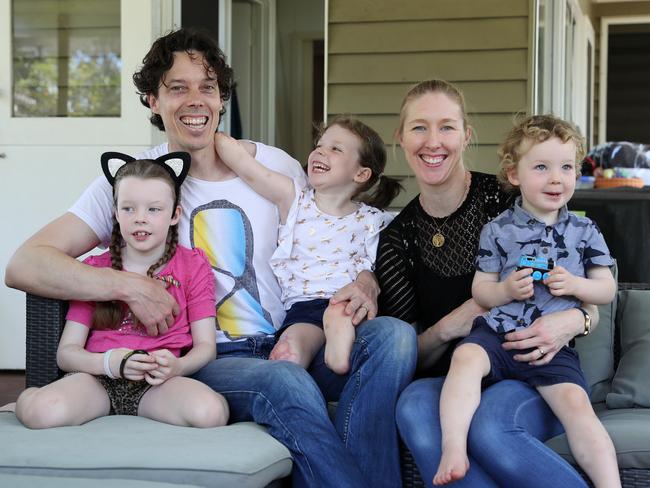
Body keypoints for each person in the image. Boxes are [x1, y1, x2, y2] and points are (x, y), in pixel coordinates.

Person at [5, 28, 416, 487]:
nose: (196, 100)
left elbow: (335, 233)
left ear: (222, 99)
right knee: (284, 382)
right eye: (177, 88)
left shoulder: (277, 167)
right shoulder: (137, 182)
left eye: (208, 87)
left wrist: (367, 281)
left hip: (302, 338)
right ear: (151, 102)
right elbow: (25, 264)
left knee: (394, 338)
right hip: (213, 358)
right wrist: (130, 286)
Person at [375, 79, 599, 487]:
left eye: (446, 126)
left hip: (532, 365)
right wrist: (452, 324)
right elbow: (408, 354)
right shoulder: (398, 238)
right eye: (419, 127)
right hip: (457, 376)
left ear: (465, 136)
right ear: (401, 139)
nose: (433, 141)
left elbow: (585, 286)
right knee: (412, 407)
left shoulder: (507, 197)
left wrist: (577, 321)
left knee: (491, 426)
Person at [434, 114, 619, 487]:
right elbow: (481, 288)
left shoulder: (584, 230)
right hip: (499, 333)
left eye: (567, 167)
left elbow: (607, 289)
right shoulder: (497, 229)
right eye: (541, 167)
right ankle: (453, 447)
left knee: (578, 409)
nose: (556, 178)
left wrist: (575, 285)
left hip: (553, 349)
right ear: (514, 174)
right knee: (465, 356)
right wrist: (504, 291)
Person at [11, 153, 229, 429]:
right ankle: (28, 398)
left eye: (154, 209)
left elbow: (206, 347)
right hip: (98, 381)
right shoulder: (95, 270)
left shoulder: (192, 266)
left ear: (175, 215)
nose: (140, 219)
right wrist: (109, 363)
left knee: (210, 413)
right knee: (43, 413)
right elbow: (66, 354)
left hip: (159, 385)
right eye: (128, 209)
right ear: (115, 214)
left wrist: (178, 367)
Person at [214, 117, 400, 374]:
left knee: (344, 316)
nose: (320, 151)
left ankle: (339, 344)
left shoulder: (373, 220)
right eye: (319, 145)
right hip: (305, 307)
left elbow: (386, 268)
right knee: (290, 349)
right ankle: (319, 357)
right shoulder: (294, 199)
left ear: (361, 173)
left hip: (350, 304)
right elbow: (243, 163)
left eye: (336, 149)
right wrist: (218, 138)